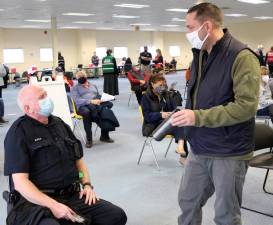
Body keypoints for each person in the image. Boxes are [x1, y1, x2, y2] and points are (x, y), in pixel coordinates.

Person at [171, 3, 260, 225]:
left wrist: (197, 117)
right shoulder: (200, 55)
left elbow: (246, 107)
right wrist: (185, 127)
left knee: (225, 215)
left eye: (190, 27)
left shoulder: (241, 56)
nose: (187, 32)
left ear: (207, 26)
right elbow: (196, 100)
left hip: (229, 150)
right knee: (187, 202)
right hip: (200, 146)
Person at [4, 85, 127, 225]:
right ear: (27, 109)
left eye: (46, 95)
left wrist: (86, 184)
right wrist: (53, 205)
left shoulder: (59, 124)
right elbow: (20, 183)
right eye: (41, 98)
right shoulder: (18, 133)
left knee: (116, 216)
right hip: (37, 202)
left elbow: (78, 162)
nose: (47, 99)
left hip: (71, 195)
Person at [141, 74, 187, 161]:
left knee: (180, 122)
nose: (162, 87)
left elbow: (175, 109)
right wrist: (160, 114)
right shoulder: (145, 97)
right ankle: (182, 153)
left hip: (168, 123)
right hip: (152, 127)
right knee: (178, 124)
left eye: (164, 85)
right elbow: (147, 117)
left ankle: (181, 148)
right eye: (160, 85)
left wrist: (174, 97)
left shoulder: (167, 95)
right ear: (152, 84)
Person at [71, 71, 119, 148]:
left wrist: (102, 99)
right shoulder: (75, 88)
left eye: (83, 77)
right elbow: (77, 100)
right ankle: (89, 139)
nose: (82, 79)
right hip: (83, 106)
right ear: (78, 79)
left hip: (96, 103)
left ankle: (104, 136)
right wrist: (90, 101)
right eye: (80, 77)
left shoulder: (93, 85)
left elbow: (97, 95)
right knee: (87, 113)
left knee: (105, 110)